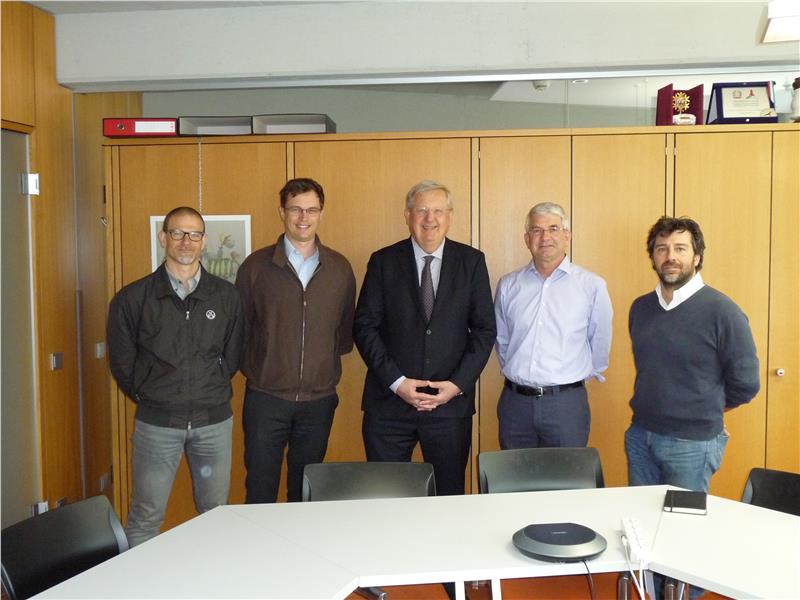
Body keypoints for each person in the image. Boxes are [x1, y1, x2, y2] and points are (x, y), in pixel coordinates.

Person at [107, 206, 243, 547]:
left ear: (204, 241)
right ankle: (141, 579)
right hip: (157, 425)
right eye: (178, 233)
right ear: (163, 237)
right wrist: (149, 393)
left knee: (216, 514)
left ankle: (213, 577)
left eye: (194, 234)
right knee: (145, 517)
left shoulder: (226, 296)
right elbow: (122, 362)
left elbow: (233, 355)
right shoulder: (133, 298)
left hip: (213, 423)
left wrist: (210, 384)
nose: (186, 241)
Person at [353, 179, 496, 497]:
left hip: (449, 408)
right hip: (389, 407)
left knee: (448, 498)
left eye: (438, 211)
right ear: (407, 215)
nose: (430, 219)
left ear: (450, 216)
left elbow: (484, 330)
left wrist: (456, 385)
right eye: (421, 210)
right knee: (386, 499)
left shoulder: (471, 262)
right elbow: (365, 327)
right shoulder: (383, 261)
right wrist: (397, 382)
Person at [235, 178, 356, 503]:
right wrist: (263, 367)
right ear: (282, 212)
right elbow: (241, 329)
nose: (304, 217)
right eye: (295, 209)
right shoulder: (255, 267)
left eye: (311, 210)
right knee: (260, 490)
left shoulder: (339, 269)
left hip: (319, 401)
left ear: (321, 213)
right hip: (266, 399)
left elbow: (343, 333)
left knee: (305, 495)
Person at [625, 216, 759, 492]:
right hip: (640, 436)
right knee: (641, 515)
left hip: (692, 445)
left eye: (680, 248)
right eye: (661, 249)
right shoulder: (641, 308)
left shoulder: (723, 312)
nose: (670, 257)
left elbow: (746, 384)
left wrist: (707, 410)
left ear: (697, 257)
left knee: (684, 518)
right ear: (653, 258)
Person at [494, 202, 612, 449]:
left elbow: (600, 341)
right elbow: (502, 341)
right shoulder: (508, 285)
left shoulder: (591, 285)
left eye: (553, 229)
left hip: (566, 405)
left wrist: (570, 381)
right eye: (536, 230)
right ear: (527, 239)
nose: (545, 237)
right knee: (513, 472)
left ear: (567, 236)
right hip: (516, 404)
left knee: (567, 473)